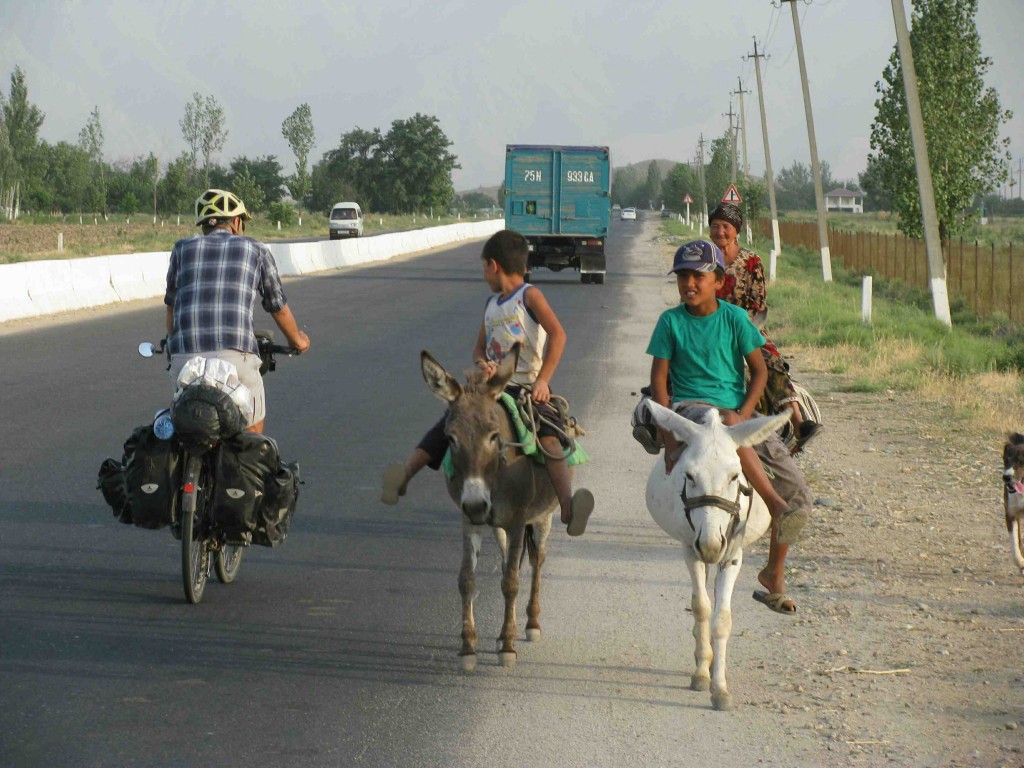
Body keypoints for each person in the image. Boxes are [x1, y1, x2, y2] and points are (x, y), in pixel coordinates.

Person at [380, 229, 594, 536]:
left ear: (493, 265)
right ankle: (403, 477)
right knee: (447, 427)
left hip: (526, 389)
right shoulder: (490, 305)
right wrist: (483, 363)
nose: (483, 274)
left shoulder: (530, 296)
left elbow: (558, 334)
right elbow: (479, 348)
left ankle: (568, 508)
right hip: (488, 390)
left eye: (483, 267)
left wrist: (544, 381)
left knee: (549, 438)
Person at [646, 239, 813, 614]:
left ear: (718, 280)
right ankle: (772, 501)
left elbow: (758, 370)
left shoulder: (735, 318)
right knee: (726, 428)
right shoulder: (670, 322)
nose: (689, 283)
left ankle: (773, 574)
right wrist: (670, 437)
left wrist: (746, 410)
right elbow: (659, 382)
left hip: (737, 413)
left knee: (799, 490)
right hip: (692, 412)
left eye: (698, 276)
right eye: (682, 277)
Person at [164, 188, 310, 434]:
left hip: (185, 360)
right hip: (236, 359)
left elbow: (172, 308)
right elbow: (278, 307)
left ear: (204, 225)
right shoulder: (256, 249)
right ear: (235, 222)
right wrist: (298, 340)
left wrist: (171, 341)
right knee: (252, 439)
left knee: (182, 425)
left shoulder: (181, 249)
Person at [708, 202, 822, 454]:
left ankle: (798, 423)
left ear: (736, 231)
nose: (720, 232)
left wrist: (738, 327)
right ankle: (657, 423)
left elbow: (757, 304)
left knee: (771, 361)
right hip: (707, 326)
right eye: (715, 226)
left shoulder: (751, 261)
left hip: (746, 327)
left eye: (725, 227)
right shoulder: (703, 257)